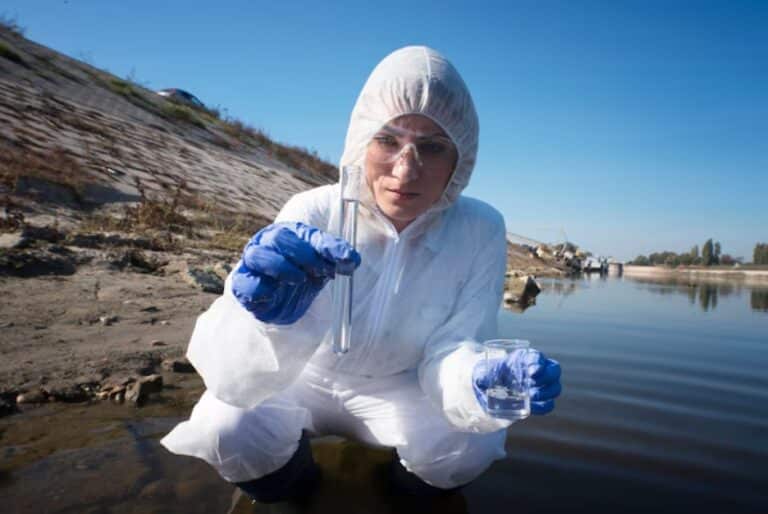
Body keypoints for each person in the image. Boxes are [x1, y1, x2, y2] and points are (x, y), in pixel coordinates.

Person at [161, 45, 562, 504]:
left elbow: (455, 343)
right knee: (225, 426)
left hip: (401, 385)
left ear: (461, 160)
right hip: (304, 379)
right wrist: (262, 316)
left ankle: (400, 497)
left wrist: (477, 377)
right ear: (360, 142)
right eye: (388, 140)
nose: (405, 169)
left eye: (432, 147)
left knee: (472, 445)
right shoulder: (313, 209)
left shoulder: (479, 228)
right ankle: (295, 492)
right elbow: (232, 374)